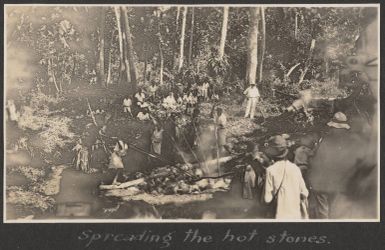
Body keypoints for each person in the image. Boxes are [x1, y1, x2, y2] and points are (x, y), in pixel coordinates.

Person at [308, 112, 357, 219]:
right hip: (339, 182)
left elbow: (316, 159)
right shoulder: (349, 143)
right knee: (336, 212)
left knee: (323, 212)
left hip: (323, 182)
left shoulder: (325, 140)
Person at [263, 135, 309, 219]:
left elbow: (267, 199)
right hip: (295, 214)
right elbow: (305, 192)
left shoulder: (270, 170)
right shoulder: (295, 168)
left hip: (279, 215)